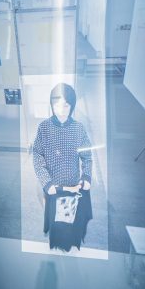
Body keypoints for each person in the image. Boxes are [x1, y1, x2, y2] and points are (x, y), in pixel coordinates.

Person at [32, 83, 93, 252]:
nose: (61, 110)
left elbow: (87, 156)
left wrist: (86, 176)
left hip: (72, 186)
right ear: (51, 104)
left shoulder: (78, 128)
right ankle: (56, 246)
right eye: (57, 105)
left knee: (69, 221)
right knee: (54, 221)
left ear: (72, 106)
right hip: (52, 187)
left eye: (66, 105)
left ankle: (68, 246)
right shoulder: (44, 127)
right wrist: (46, 182)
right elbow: (37, 156)